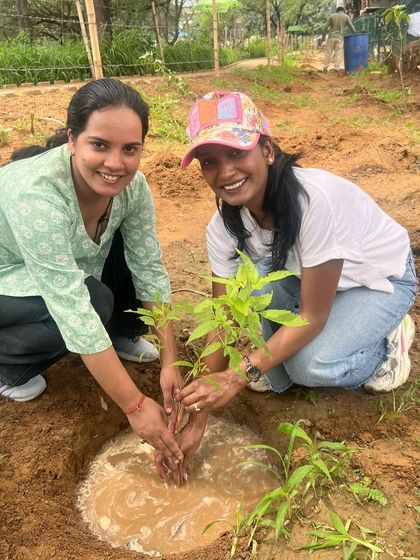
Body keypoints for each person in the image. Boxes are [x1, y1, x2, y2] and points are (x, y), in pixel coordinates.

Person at [173, 91, 417, 476]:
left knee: (309, 366)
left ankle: (387, 345)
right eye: (209, 162)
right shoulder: (222, 227)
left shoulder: (313, 203)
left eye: (237, 153)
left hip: (378, 280)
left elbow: (314, 316)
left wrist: (238, 376)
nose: (225, 172)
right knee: (268, 341)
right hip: (318, 282)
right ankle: (292, 359)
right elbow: (223, 318)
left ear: (267, 150)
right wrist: (198, 419)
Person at [0, 78, 184, 480]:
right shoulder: (37, 196)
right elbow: (73, 309)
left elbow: (148, 265)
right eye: (100, 145)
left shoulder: (131, 187)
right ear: (72, 140)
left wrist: (172, 359)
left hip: (51, 266)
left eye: (129, 149)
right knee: (92, 303)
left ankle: (118, 333)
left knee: (121, 252)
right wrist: (135, 406)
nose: (115, 163)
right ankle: (8, 369)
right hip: (5, 274)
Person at [323, 6, 356, 71]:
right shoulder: (346, 17)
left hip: (331, 37)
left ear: (336, 11)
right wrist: (354, 33)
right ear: (343, 11)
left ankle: (325, 67)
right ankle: (336, 68)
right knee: (338, 53)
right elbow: (352, 28)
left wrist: (323, 37)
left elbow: (325, 27)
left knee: (328, 52)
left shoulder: (331, 16)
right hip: (340, 38)